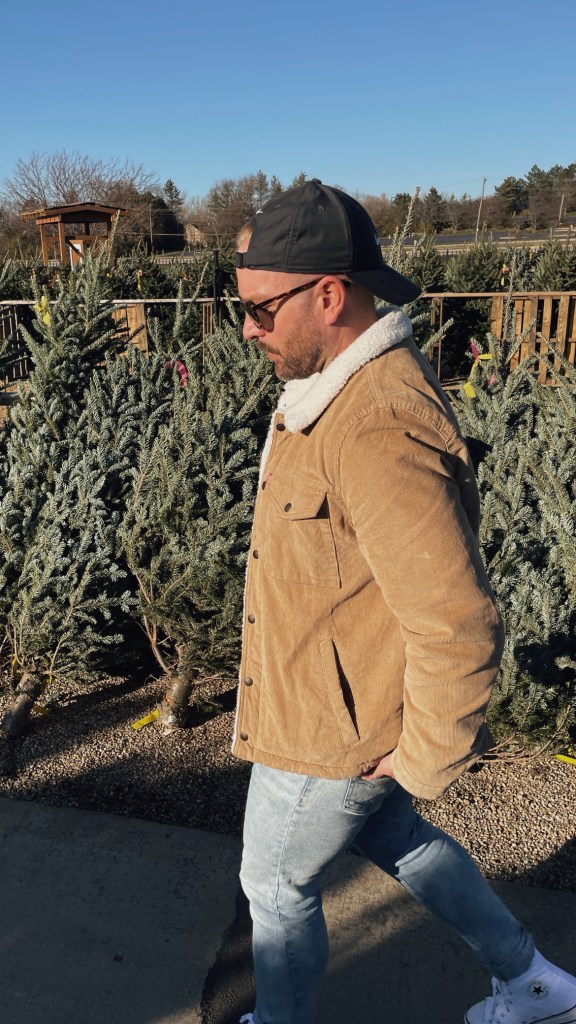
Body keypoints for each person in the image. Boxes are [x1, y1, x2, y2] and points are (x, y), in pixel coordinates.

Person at [231, 178, 576, 1024]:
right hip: (324, 697)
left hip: (331, 733)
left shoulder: (376, 420)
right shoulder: (331, 386)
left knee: (273, 883)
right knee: (396, 838)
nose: (246, 328)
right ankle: (536, 986)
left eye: (261, 311)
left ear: (329, 295)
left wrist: (424, 755)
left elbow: (458, 619)